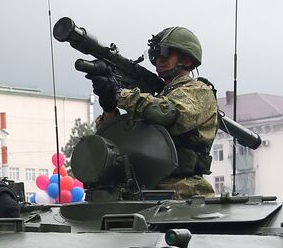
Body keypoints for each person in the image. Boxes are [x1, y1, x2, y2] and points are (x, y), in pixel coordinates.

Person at [93, 26, 219, 199]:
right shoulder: (153, 98)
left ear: (187, 60)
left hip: (184, 192)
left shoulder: (199, 91)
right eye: (156, 55)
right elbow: (118, 140)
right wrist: (109, 110)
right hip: (139, 188)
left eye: (166, 53)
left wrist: (120, 95)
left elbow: (165, 113)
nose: (160, 59)